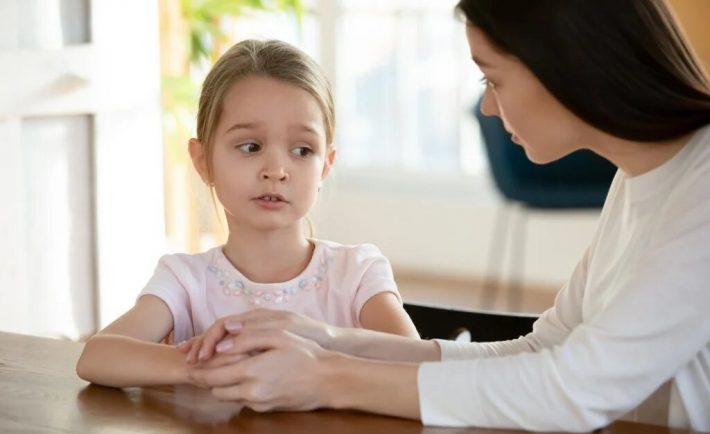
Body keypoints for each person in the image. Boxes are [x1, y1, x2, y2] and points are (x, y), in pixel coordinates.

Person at [179, 0, 710, 431]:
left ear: (566, 66)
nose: (487, 107)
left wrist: (326, 376)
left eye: (492, 79)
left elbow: (573, 389)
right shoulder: (640, 178)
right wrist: (328, 339)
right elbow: (547, 347)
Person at [75, 39, 419, 388]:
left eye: (302, 150)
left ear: (325, 166)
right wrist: (206, 367)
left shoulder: (357, 274)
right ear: (202, 161)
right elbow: (96, 357)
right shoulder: (185, 281)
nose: (276, 169)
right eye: (251, 147)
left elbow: (419, 365)